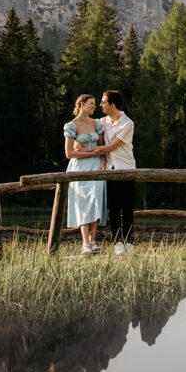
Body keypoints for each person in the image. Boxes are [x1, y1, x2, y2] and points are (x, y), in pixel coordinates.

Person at [63, 94, 106, 255]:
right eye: (92, 104)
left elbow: (103, 148)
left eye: (95, 104)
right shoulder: (71, 126)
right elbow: (69, 153)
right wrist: (90, 152)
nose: (94, 106)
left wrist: (102, 163)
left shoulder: (97, 123)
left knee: (95, 199)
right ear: (82, 104)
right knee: (82, 203)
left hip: (96, 167)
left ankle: (93, 240)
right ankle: (85, 242)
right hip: (78, 167)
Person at [97, 90, 136, 255]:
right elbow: (84, 126)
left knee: (127, 207)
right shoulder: (102, 122)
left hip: (126, 168)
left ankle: (130, 243)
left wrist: (84, 150)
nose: (101, 105)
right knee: (113, 208)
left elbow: (110, 147)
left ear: (112, 105)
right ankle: (117, 242)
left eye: (103, 102)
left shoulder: (128, 123)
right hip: (110, 170)